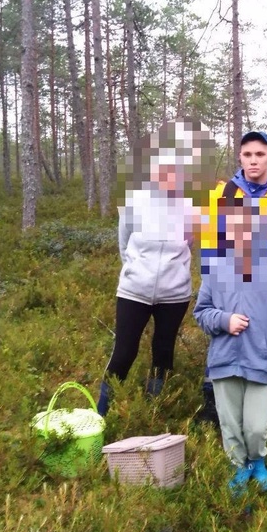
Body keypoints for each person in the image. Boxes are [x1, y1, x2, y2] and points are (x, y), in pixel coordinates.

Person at [97, 118, 213, 416]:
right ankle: (102, 412)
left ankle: (152, 410)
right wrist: (138, 271)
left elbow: (193, 245)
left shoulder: (193, 206)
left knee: (163, 352)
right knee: (124, 352)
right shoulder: (134, 201)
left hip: (175, 296)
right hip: (134, 291)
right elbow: (125, 244)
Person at [196, 129, 267, 426]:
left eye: (260, 154)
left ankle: (259, 414)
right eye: (247, 154)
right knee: (224, 336)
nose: (254, 160)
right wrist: (212, 282)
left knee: (263, 342)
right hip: (227, 281)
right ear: (240, 157)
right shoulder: (223, 194)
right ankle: (214, 407)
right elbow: (210, 243)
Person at [194, 197, 267, 494]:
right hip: (224, 363)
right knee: (230, 425)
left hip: (262, 365)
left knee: (255, 426)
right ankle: (238, 467)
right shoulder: (215, 273)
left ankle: (257, 461)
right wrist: (224, 320)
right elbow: (201, 314)